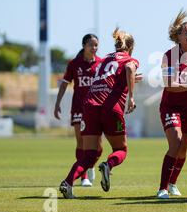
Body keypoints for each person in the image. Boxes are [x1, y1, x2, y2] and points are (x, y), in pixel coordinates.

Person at [59, 28, 140, 198]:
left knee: (89, 154)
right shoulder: (129, 58)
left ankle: (67, 183)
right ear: (130, 46)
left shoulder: (103, 60)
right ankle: (108, 165)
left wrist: (128, 80)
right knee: (121, 149)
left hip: (89, 106)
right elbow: (130, 70)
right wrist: (131, 97)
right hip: (110, 107)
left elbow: (110, 76)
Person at [157, 10, 187, 199]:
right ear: (178, 36)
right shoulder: (169, 56)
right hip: (170, 107)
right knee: (175, 144)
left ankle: (173, 182)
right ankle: (162, 188)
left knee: (183, 148)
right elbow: (169, 86)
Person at [54, 34, 102, 187]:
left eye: (96, 45)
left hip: (96, 109)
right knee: (81, 142)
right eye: (91, 45)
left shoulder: (101, 63)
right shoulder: (74, 64)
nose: (94, 48)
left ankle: (91, 165)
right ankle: (84, 177)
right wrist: (57, 104)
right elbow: (64, 84)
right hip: (79, 109)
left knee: (98, 146)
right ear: (84, 45)